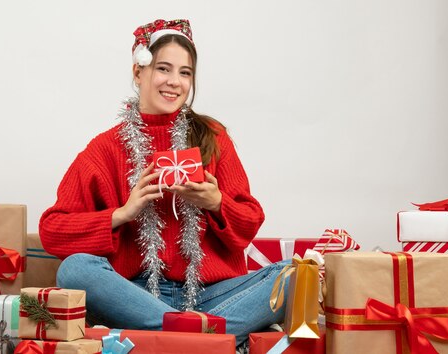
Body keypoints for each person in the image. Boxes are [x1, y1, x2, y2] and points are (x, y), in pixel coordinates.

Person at [39, 19, 288, 346]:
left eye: (185, 73)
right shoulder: (105, 149)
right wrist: (124, 212)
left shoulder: (212, 138)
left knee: (292, 275)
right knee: (74, 270)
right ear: (138, 72)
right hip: (136, 296)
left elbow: (250, 221)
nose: (174, 82)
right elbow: (52, 230)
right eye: (163, 69)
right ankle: (202, 341)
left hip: (210, 297)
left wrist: (215, 202)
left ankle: (176, 341)